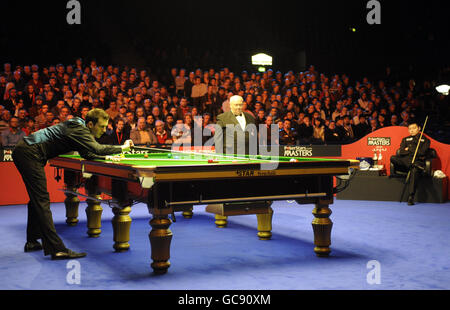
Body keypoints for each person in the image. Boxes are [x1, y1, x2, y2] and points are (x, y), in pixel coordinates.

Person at [12, 108, 134, 260]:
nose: (104, 130)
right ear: (90, 124)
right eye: (101, 126)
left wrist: (109, 157)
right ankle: (57, 249)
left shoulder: (79, 128)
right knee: (42, 200)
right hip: (30, 153)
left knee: (36, 199)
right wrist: (122, 147)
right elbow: (97, 148)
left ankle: (32, 240)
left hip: (27, 151)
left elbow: (88, 153)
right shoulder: (79, 129)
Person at [390, 122, 430, 205]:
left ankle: (411, 196)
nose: (411, 130)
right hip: (405, 162)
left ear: (419, 128)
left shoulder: (425, 140)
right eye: (410, 129)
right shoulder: (405, 139)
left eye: (414, 128)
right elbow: (401, 152)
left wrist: (409, 148)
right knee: (393, 158)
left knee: (414, 170)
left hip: (417, 161)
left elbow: (422, 152)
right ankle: (413, 165)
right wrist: (412, 150)